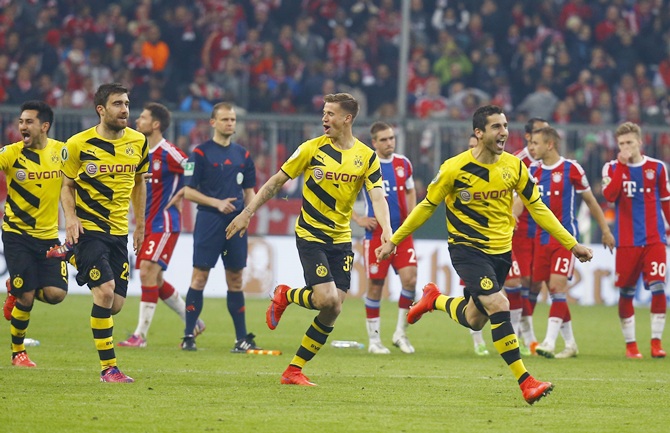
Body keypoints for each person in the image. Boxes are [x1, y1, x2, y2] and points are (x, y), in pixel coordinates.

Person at [376, 105, 593, 405]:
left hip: (501, 253)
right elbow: (426, 206)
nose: (503, 131)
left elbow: (538, 207)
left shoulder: (515, 167)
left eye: (505, 125)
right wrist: (394, 240)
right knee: (499, 303)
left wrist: (571, 244)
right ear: (479, 133)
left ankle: (434, 300)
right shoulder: (454, 168)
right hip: (467, 249)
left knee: (476, 319)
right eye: (496, 127)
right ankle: (526, 381)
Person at [226, 93, 392, 386]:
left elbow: (377, 196)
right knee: (327, 298)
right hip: (311, 234)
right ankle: (286, 297)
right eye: (324, 113)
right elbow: (277, 181)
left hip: (341, 239)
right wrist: (247, 212)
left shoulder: (366, 156)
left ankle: (294, 367)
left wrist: (387, 234)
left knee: (333, 307)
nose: (324, 119)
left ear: (347, 118)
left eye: (330, 113)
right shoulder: (310, 149)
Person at [61, 83, 149, 383]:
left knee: (115, 305)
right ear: (101, 109)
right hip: (89, 229)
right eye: (117, 104)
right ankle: (108, 369)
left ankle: (70, 257)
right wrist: (70, 217)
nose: (125, 109)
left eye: (126, 103)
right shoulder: (78, 144)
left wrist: (141, 225)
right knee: (105, 291)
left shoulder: (138, 141)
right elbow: (67, 185)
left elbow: (139, 182)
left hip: (119, 232)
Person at [117, 102, 205, 348]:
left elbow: (193, 167)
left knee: (145, 271)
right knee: (154, 280)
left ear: (155, 124)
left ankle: (140, 336)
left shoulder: (169, 152)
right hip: (147, 224)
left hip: (165, 223)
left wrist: (184, 192)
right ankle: (194, 321)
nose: (137, 121)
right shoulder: (139, 152)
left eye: (143, 117)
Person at [527, 126, 615, 359]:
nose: (531, 148)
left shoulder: (571, 169)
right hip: (540, 240)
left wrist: (605, 230)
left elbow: (591, 201)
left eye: (535, 143)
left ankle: (547, 342)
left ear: (549, 144)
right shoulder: (531, 171)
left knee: (557, 287)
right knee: (554, 292)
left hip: (566, 241)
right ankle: (571, 344)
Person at [179, 102, 260, 353]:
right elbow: (188, 191)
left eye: (233, 120)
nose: (230, 124)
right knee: (200, 277)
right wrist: (216, 202)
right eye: (225, 120)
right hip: (209, 221)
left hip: (235, 223)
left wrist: (248, 215)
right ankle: (188, 335)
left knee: (235, 280)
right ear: (213, 122)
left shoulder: (243, 155)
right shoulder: (200, 154)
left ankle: (240, 339)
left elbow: (250, 192)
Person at [1, 101, 69, 367]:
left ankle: (15, 288)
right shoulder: (11, 153)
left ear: (44, 126)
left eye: (28, 122)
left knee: (56, 294)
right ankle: (18, 352)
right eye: (20, 122)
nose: (22, 127)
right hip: (17, 235)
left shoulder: (62, 152)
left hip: (49, 237)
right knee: (27, 296)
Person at [602, 121, 670, 359]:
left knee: (659, 287)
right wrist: (622, 165)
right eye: (621, 143)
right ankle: (631, 345)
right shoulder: (611, 168)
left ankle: (656, 342)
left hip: (654, 239)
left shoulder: (658, 168)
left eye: (630, 142)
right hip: (627, 242)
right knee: (626, 292)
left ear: (640, 142)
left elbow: (666, 202)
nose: (626, 147)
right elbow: (610, 196)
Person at [352, 121, 416, 355]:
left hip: (401, 233)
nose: (390, 142)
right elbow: (346, 195)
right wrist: (359, 220)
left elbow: (410, 191)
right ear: (374, 143)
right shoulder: (367, 165)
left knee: (410, 280)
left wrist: (412, 218)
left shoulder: (403, 163)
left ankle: (400, 333)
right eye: (385, 139)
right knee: (376, 286)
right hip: (376, 234)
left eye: (392, 138)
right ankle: (374, 340)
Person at [515, 117, 549, 355]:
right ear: (528, 137)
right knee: (523, 281)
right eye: (540, 132)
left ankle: (523, 333)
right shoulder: (517, 161)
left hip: (543, 230)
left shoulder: (551, 160)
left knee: (536, 284)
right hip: (522, 229)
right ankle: (526, 336)